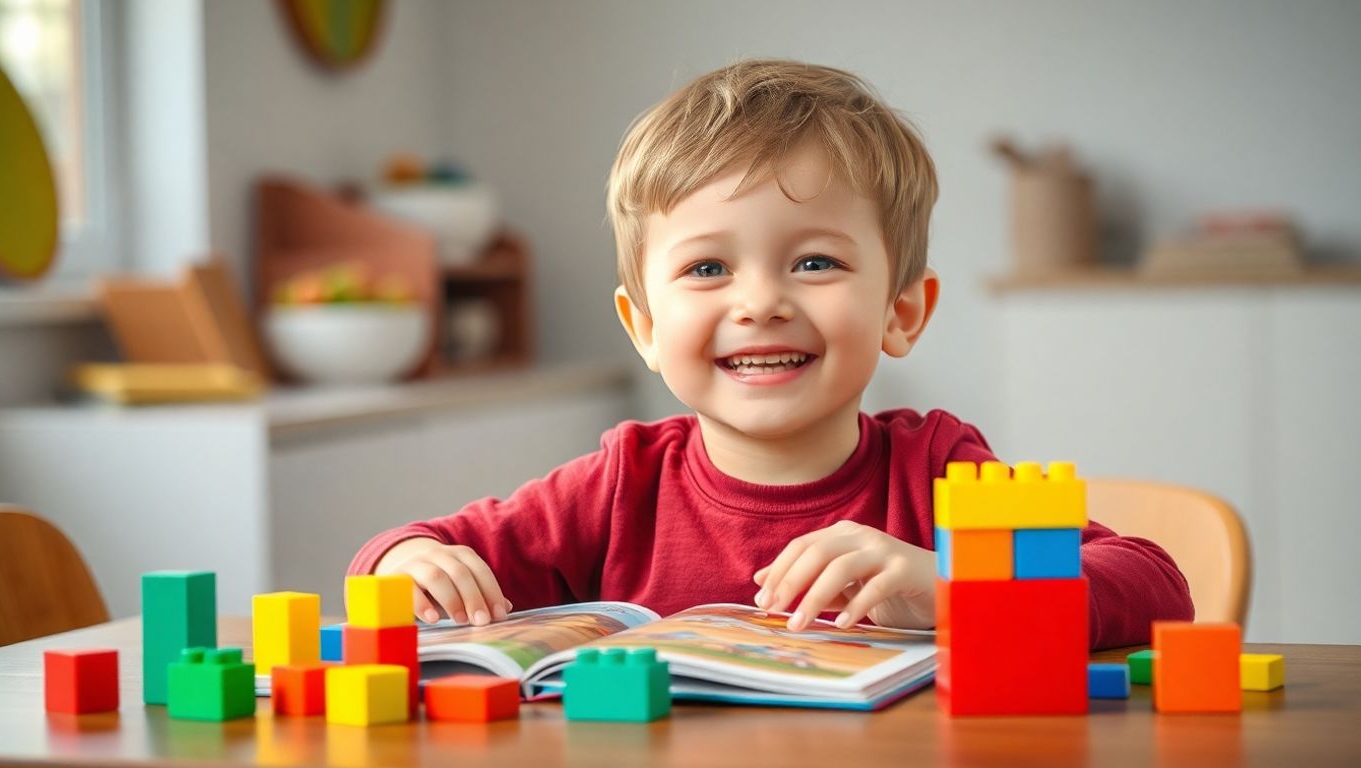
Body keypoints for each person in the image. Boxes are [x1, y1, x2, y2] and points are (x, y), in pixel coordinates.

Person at [348, 59, 1192, 649]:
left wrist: (954, 586)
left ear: (902, 311)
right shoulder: (618, 485)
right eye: (708, 267)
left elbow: (1153, 583)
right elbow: (404, 550)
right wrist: (407, 562)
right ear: (642, 326)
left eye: (815, 262)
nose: (759, 303)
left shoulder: (938, 469)